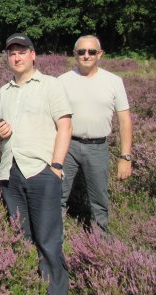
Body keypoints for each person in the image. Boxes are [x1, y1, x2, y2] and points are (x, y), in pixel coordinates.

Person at [0, 33, 71, 295]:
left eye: (22, 51)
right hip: (10, 174)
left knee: (48, 240)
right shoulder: (3, 91)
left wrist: (56, 167)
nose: (17, 56)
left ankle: (56, 290)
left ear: (33, 54)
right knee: (21, 237)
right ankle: (28, 284)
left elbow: (65, 125)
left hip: (42, 171)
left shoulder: (51, 85)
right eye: (12, 52)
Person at [58, 35, 132, 233]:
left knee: (99, 199)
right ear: (74, 55)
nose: (86, 56)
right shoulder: (62, 81)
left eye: (91, 51)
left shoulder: (114, 81)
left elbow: (124, 120)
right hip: (68, 146)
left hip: (98, 147)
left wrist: (125, 156)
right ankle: (56, 237)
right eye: (81, 52)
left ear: (100, 54)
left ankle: (100, 243)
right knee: (58, 194)